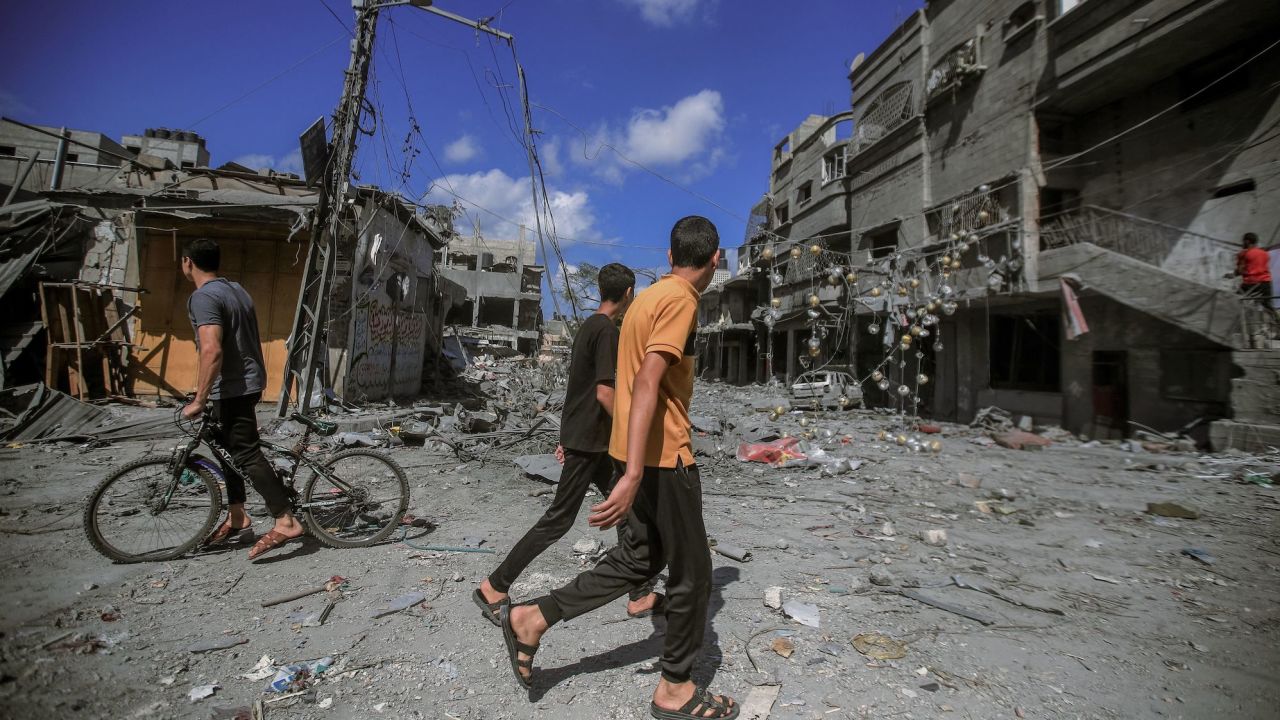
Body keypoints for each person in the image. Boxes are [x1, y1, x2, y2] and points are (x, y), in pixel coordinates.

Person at [501, 217, 738, 720]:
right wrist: (631, 474)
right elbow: (649, 379)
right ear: (716, 259)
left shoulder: (646, 299)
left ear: (670, 253)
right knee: (694, 576)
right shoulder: (680, 301)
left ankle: (533, 616)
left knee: (640, 560)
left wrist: (627, 462)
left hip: (635, 452)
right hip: (663, 457)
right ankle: (675, 690)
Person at [473, 263, 661, 624]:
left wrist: (569, 436)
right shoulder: (606, 330)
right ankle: (494, 586)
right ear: (628, 293)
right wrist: (632, 425)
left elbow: (577, 389)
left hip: (589, 440)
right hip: (590, 442)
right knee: (559, 520)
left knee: (628, 506)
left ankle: (640, 591)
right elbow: (604, 392)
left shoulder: (588, 326)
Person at [179, 237, 304, 560]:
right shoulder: (236, 290)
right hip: (247, 382)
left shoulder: (203, 297)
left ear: (188, 262)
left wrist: (199, 398)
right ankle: (238, 515)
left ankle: (285, 519)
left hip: (232, 386)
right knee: (227, 450)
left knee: (246, 454)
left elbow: (212, 349)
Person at [1236, 232, 1272, 311]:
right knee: (1267, 304)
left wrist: (1233, 274)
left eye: (1243, 241)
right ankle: (1277, 320)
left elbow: (1240, 270)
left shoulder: (1244, 254)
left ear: (1247, 241)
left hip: (1251, 283)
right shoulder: (1264, 253)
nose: (1242, 243)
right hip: (1266, 282)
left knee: (1235, 299)